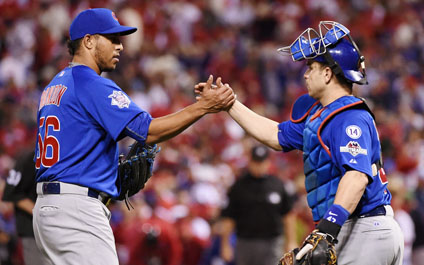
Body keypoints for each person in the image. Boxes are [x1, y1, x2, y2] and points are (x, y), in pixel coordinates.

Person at [33, 8, 235, 265]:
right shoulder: (90, 82)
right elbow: (148, 132)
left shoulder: (55, 85)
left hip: (49, 209)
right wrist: (204, 107)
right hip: (77, 211)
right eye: (113, 39)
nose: (120, 47)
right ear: (88, 41)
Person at [196, 21, 404, 265]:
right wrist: (230, 104)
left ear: (328, 73)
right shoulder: (322, 116)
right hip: (355, 228)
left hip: (365, 227)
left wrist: (328, 228)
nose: (306, 74)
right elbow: (275, 134)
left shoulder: (349, 117)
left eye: (312, 67)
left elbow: (356, 178)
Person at [219, 144, 297, 265]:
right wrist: (225, 244)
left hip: (272, 241)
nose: (258, 166)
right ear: (250, 161)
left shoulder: (277, 184)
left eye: (261, 162)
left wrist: (291, 241)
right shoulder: (239, 186)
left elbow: (288, 215)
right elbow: (229, 217)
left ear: (267, 162)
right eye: (255, 162)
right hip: (245, 242)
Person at [2, 149, 43, 265]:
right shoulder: (29, 158)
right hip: (32, 230)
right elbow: (10, 192)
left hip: (52, 228)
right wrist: (39, 213)